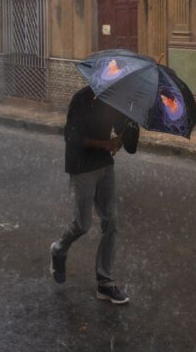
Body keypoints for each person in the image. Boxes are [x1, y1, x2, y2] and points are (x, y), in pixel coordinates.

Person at [50, 85, 139, 305]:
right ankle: (59, 249)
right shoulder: (81, 98)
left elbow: (129, 145)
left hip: (104, 164)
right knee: (83, 224)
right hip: (81, 165)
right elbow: (72, 137)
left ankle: (105, 284)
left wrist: (132, 121)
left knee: (111, 221)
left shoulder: (114, 100)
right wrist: (105, 144)